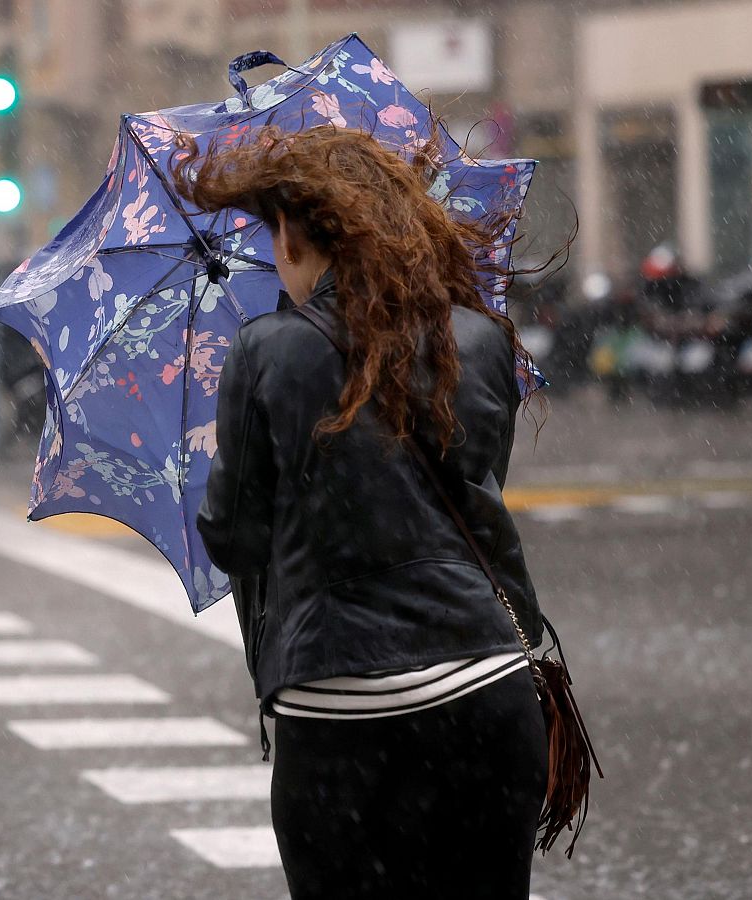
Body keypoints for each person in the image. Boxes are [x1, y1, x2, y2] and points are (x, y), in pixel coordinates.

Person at [178, 125, 550, 898]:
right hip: (484, 687)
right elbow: (468, 501)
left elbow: (235, 537)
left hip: (340, 703)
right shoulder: (477, 340)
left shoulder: (267, 351)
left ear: (290, 233)